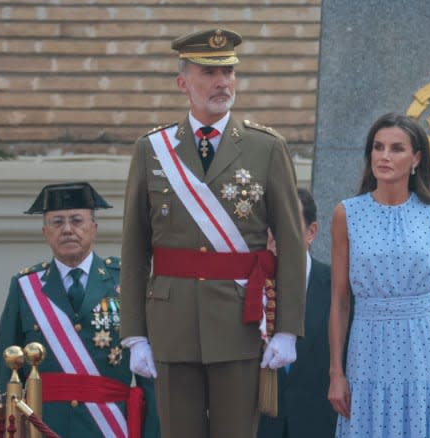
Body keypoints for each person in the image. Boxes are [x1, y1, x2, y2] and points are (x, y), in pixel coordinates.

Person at [120, 28, 306, 438]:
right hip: (171, 321)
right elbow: (134, 248)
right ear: (183, 82)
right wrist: (135, 335)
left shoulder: (266, 147)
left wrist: (287, 329)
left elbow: (291, 244)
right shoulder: (152, 149)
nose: (223, 83)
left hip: (238, 321)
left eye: (229, 72)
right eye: (209, 72)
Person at [328, 113, 430, 437]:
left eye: (396, 148)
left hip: (422, 351)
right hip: (367, 350)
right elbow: (340, 301)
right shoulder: (347, 213)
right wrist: (336, 372)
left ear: (416, 158)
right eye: (378, 147)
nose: (384, 156)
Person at [0, 182, 159, 438]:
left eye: (77, 220)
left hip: (110, 426)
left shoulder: (125, 282)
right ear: (45, 232)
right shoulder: (25, 286)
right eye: (57, 222)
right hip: (45, 426)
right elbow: (7, 370)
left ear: (94, 228)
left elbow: (149, 372)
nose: (68, 230)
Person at [258, 188, 340, 438]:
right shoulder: (246, 286)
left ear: (311, 232)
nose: (276, 235)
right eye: (271, 225)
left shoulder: (338, 287)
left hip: (319, 424)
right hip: (259, 425)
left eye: (287, 224)